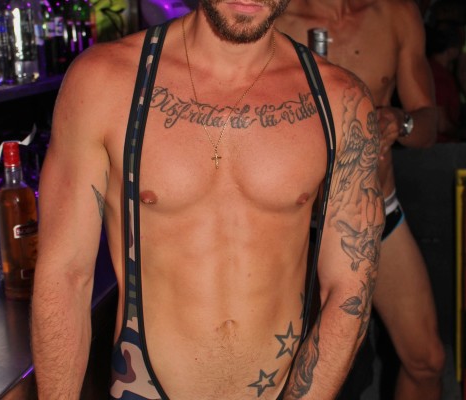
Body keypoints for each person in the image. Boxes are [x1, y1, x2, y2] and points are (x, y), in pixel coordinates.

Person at [31, 0, 385, 398]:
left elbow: (350, 288)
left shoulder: (339, 100)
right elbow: (65, 275)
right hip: (144, 387)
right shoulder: (105, 81)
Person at [276, 0, 445, 399]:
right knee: (296, 372)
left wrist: (400, 122)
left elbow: (429, 124)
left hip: (374, 211)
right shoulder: (274, 15)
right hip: (293, 225)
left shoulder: (396, 15)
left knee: (426, 361)